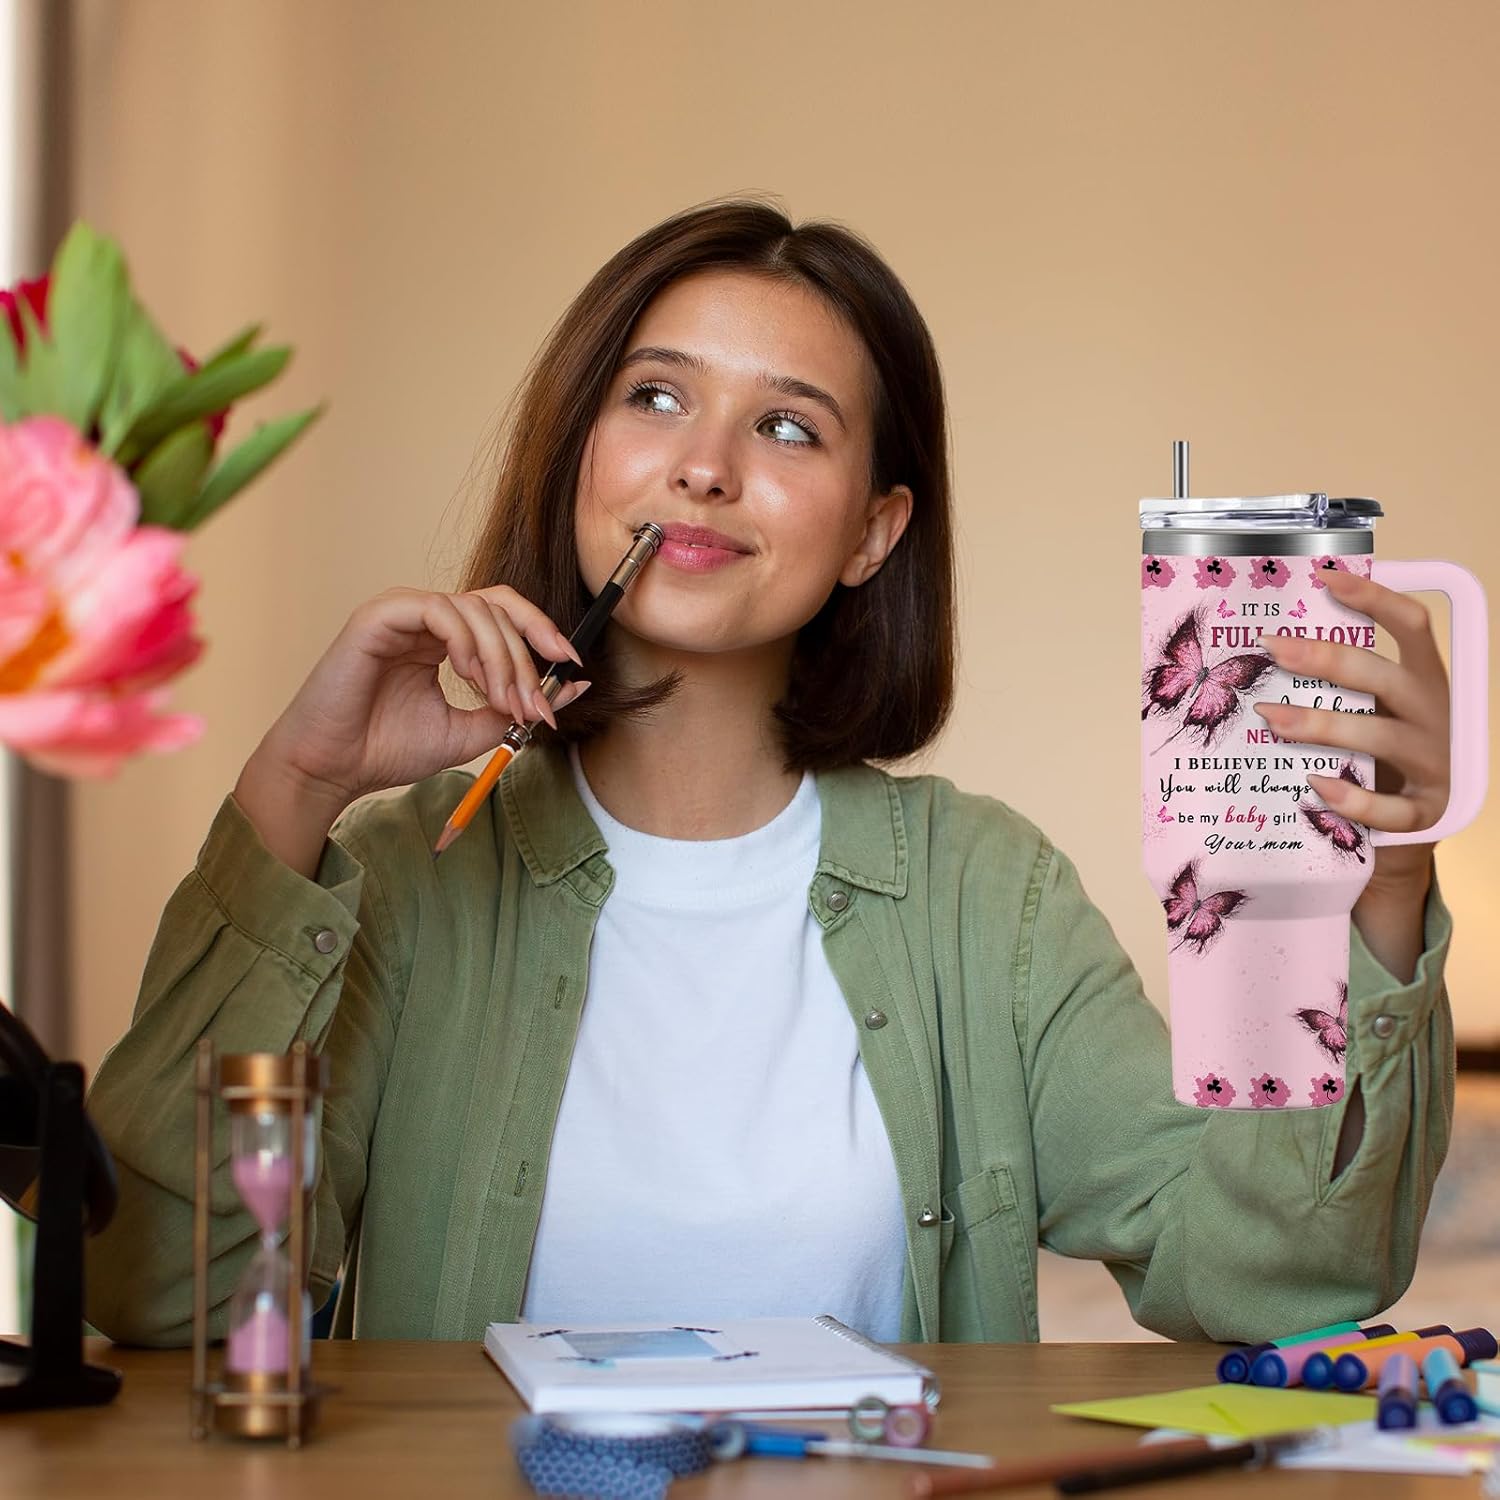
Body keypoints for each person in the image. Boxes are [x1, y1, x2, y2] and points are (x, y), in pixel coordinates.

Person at [84, 200, 1455, 1348]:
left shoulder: (991, 897)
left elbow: (1273, 1277)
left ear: (873, 533)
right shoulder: (404, 874)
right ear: (579, 457)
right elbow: (157, 1298)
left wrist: (1386, 885)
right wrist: (299, 781)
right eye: (656, 398)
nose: (703, 468)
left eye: (788, 428)